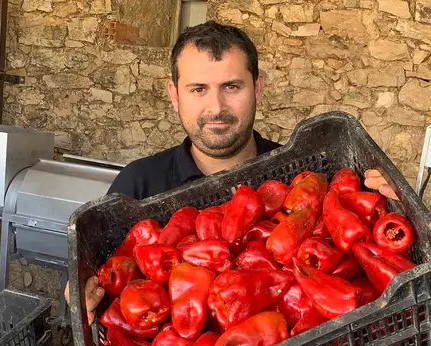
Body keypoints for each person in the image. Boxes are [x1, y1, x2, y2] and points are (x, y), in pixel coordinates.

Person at [64, 20, 398, 324]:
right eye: (198, 89)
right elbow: (108, 292)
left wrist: (392, 205)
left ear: (258, 88)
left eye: (232, 87)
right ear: (174, 96)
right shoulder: (137, 184)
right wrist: (85, 298)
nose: (216, 107)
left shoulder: (307, 177)